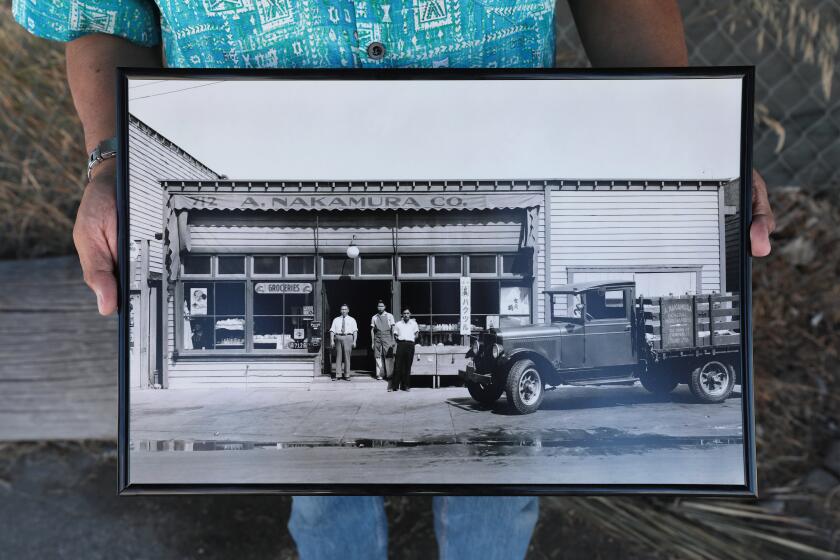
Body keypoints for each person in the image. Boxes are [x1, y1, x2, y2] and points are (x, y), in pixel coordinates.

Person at [12, 0, 776, 558]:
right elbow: (103, 10)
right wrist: (112, 159)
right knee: (317, 471)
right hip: (255, 172)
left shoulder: (497, 303)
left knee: (506, 469)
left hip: (497, 163)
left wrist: (691, 137)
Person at [390, 308, 420, 392]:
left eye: (407, 313)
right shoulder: (398, 324)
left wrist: (411, 338)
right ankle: (395, 386)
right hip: (401, 344)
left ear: (410, 314)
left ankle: (406, 386)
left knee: (407, 366)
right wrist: (399, 340)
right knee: (398, 365)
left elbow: (417, 334)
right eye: (404, 313)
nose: (406, 315)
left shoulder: (414, 323)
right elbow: (395, 334)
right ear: (402, 315)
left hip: (410, 345)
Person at [329, 304, 357, 381]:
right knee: (338, 356)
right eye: (342, 309)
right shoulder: (336, 319)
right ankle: (338, 374)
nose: (343, 311)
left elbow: (355, 331)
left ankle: (347, 374)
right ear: (340, 310)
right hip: (338, 337)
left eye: (345, 309)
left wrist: (354, 341)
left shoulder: (352, 320)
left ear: (348, 310)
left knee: (347, 357)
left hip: (348, 337)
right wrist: (332, 341)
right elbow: (332, 331)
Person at [370, 300, 395, 381]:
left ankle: (390, 374)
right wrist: (373, 342)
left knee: (388, 356)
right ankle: (380, 374)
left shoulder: (389, 316)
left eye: (382, 306)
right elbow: (372, 330)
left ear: (385, 307)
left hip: (387, 337)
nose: (380, 308)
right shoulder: (374, 317)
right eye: (379, 306)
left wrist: (393, 339)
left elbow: (393, 328)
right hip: (377, 338)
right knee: (378, 356)